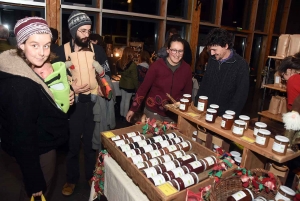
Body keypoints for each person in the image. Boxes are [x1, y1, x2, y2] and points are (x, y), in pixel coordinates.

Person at [0, 17, 72, 201]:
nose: (42, 53)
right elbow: (22, 136)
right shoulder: (20, 84)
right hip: (38, 149)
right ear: (21, 44)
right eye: (35, 45)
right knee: (36, 193)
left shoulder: (24, 67)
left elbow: (38, 102)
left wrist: (63, 99)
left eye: (47, 45)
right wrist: (34, 180)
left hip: (38, 143)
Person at [52, 10, 111, 196]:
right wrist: (70, 90)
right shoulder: (61, 51)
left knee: (91, 145)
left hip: (93, 105)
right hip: (73, 106)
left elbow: (106, 74)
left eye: (89, 30)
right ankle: (71, 179)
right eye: (83, 31)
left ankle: (90, 176)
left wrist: (103, 85)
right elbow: (55, 83)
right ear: (73, 31)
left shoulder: (98, 50)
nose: (87, 35)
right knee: (72, 145)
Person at [126, 36, 193, 123]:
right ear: (168, 50)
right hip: (153, 112)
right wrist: (133, 109)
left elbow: (188, 94)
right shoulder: (156, 66)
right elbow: (143, 88)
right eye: (174, 50)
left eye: (180, 51)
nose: (177, 54)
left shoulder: (186, 69)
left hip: (174, 114)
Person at [194, 28, 249, 117]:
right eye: (210, 50)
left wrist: (229, 116)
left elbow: (240, 96)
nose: (212, 53)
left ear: (226, 46)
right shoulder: (212, 60)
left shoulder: (241, 65)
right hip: (206, 112)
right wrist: (197, 104)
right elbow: (204, 84)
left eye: (215, 50)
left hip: (225, 116)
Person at [118, 47, 138, 121]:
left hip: (122, 83)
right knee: (127, 101)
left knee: (122, 100)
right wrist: (137, 87)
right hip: (130, 85)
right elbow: (134, 78)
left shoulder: (120, 62)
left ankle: (121, 115)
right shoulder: (133, 65)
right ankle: (125, 116)